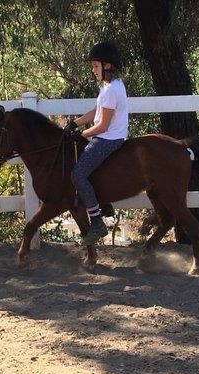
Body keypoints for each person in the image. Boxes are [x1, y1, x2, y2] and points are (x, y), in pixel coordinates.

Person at [64, 41, 129, 246]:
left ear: (107, 65)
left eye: (95, 66)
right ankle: (105, 204)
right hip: (106, 135)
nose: (93, 70)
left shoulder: (111, 89)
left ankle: (97, 222)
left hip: (108, 138)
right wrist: (75, 123)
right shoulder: (109, 86)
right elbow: (96, 112)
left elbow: (102, 126)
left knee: (77, 174)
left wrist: (82, 135)